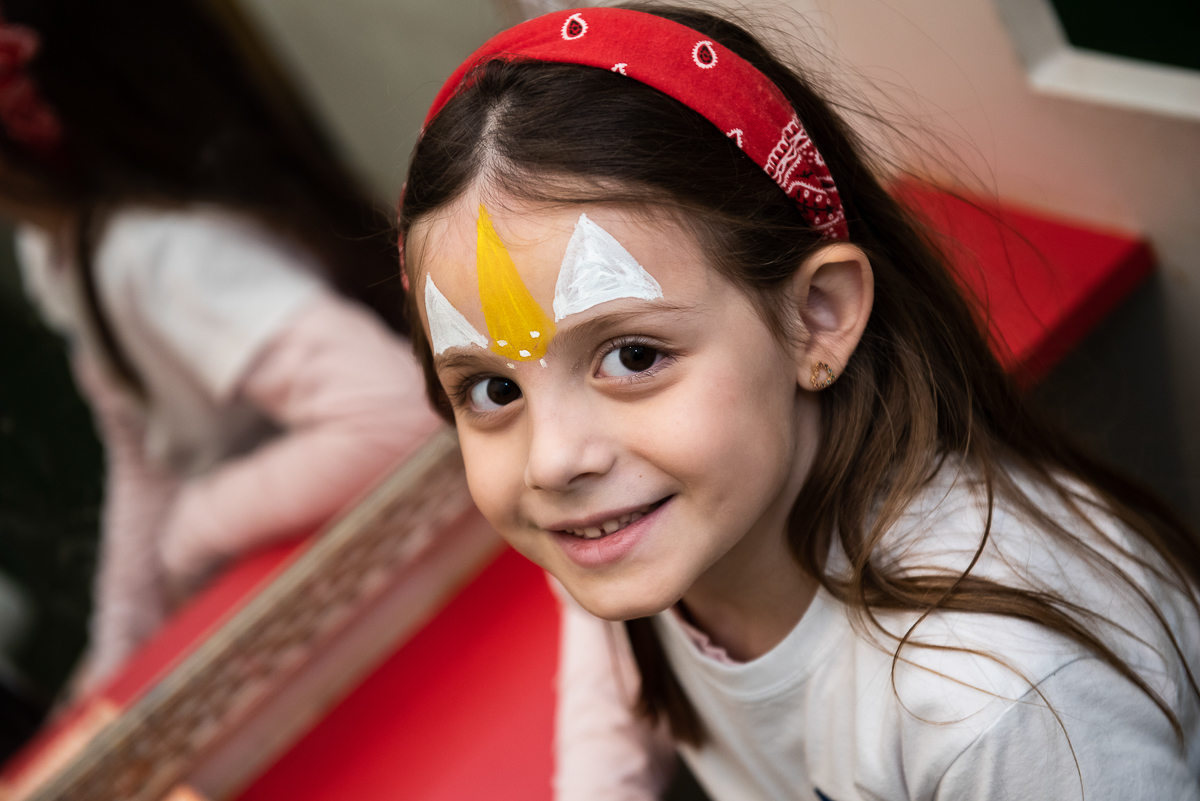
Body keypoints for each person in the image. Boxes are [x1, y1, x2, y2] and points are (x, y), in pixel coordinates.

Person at [396, 4, 1200, 799]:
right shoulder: (637, 524)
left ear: (817, 317)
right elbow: (605, 665)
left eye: (633, 356)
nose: (552, 459)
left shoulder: (1002, 706)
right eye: (494, 389)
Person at [0, 0, 440, 696]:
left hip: (391, 580)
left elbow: (391, 414)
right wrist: (115, 658)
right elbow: (143, 444)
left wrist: (195, 525)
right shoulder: (58, 250)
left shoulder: (157, 255)